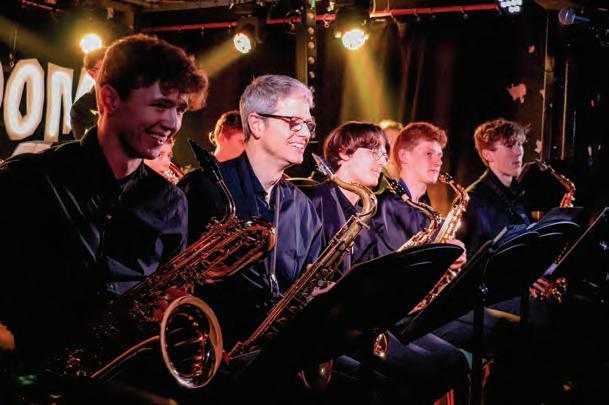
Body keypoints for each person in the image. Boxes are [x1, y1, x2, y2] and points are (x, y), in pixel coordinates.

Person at [0, 34, 208, 371]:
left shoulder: (171, 202)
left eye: (180, 109)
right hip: (30, 378)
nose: (172, 124)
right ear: (110, 99)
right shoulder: (26, 180)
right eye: (159, 105)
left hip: (126, 377)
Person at [306, 121, 469, 404]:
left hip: (359, 322)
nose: (382, 161)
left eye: (383, 153)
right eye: (374, 152)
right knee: (409, 381)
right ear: (343, 153)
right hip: (327, 328)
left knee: (446, 365)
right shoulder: (315, 200)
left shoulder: (364, 207)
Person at [375, 121, 467, 269]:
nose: (438, 162)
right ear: (404, 156)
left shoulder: (433, 218)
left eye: (440, 156)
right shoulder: (380, 207)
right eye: (428, 154)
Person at [70, 46, 106, 140]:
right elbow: (86, 144)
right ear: (91, 73)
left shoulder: (130, 97)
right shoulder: (81, 108)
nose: (113, 71)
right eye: (105, 68)